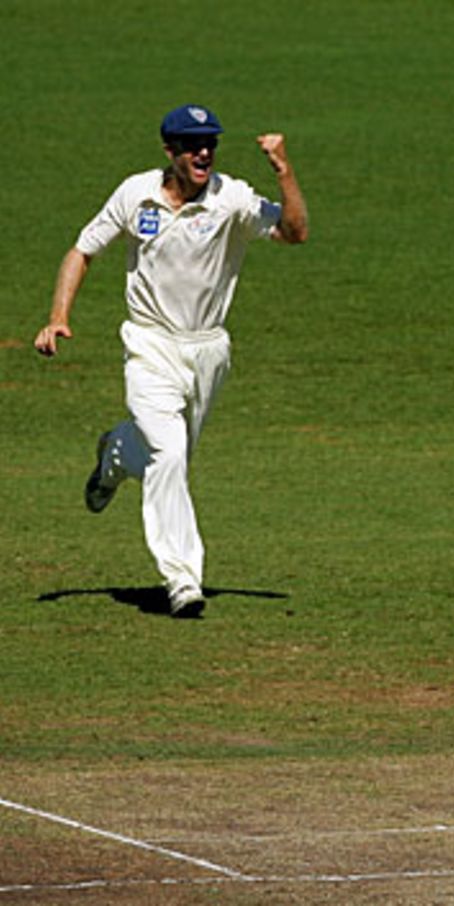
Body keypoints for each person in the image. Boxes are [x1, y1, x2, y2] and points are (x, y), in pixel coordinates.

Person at [34, 103, 309, 618]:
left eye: (209, 143)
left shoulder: (232, 199)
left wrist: (284, 172)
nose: (203, 152)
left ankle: (116, 454)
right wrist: (57, 316)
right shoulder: (135, 194)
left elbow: (294, 232)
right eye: (191, 144)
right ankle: (183, 579)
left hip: (207, 349)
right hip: (149, 345)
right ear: (170, 151)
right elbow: (82, 251)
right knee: (170, 455)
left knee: (168, 458)